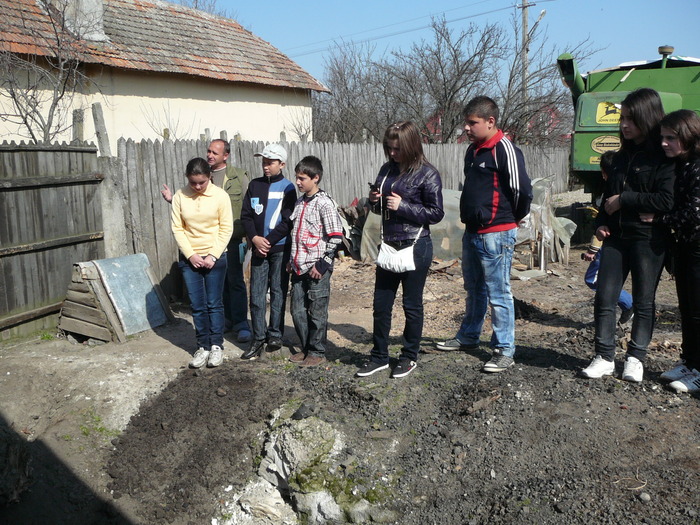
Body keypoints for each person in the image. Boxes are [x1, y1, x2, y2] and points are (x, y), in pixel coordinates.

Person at [581, 88, 675, 382]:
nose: (624, 125)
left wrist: (626, 199)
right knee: (605, 297)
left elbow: (666, 200)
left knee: (644, 300)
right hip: (617, 238)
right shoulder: (619, 158)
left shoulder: (662, 158)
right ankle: (604, 356)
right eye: (622, 119)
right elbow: (608, 198)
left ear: (647, 118)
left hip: (649, 239)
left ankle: (635, 358)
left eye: (630, 119)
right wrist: (603, 222)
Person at [437, 96, 532, 373]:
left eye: (472, 123)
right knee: (473, 288)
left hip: (497, 234)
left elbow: (522, 190)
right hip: (473, 232)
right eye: (465, 122)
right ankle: (468, 336)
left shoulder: (504, 149)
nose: (466, 128)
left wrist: (511, 219)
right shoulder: (474, 151)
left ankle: (504, 349)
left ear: (490, 122)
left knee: (499, 292)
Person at [356, 121, 444, 379]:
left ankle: (408, 357)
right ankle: (379, 357)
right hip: (389, 244)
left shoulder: (428, 174)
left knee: (411, 305)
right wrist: (374, 202)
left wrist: (403, 206)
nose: (392, 154)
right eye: (389, 148)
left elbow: (436, 213)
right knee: (381, 305)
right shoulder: (387, 170)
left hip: (416, 246)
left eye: (397, 149)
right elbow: (382, 209)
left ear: (411, 145)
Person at [161, 139, 252, 344]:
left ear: (225, 155)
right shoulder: (198, 175)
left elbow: (248, 207)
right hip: (205, 244)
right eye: (208, 151)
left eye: (215, 153)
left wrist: (251, 234)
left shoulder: (238, 177)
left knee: (235, 282)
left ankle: (240, 323)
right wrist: (171, 200)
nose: (210, 155)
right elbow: (189, 206)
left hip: (234, 239)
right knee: (217, 290)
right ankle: (225, 322)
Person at [640, 109, 700, 393]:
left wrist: (660, 218)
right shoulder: (685, 164)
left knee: (698, 310)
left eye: (671, 138)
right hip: (687, 247)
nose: (664, 143)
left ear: (688, 136)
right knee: (687, 310)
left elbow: (695, 213)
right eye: (662, 137)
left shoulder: (698, 166)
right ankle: (689, 362)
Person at [171, 157, 233, 368]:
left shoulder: (220, 196)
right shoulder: (180, 196)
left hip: (215, 257)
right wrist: (191, 255)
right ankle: (202, 347)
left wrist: (212, 255)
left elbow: (226, 228)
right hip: (191, 259)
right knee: (197, 305)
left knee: (214, 303)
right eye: (193, 183)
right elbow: (178, 228)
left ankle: (216, 346)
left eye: (202, 182)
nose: (197, 187)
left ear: (209, 177)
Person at [239, 144, 296, 360]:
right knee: (256, 293)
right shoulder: (255, 185)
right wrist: (255, 239)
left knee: (279, 291)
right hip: (258, 248)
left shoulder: (288, 188)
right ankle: (258, 337)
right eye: (263, 162)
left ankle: (275, 334)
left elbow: (288, 220)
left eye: (270, 162)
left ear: (281, 164)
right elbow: (246, 215)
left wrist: (268, 241)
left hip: (279, 248)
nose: (265, 166)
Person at [286, 156, 344, 367]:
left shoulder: (325, 203)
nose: (298, 182)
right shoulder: (300, 203)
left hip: (316, 267)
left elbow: (336, 236)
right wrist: (291, 260)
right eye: (297, 178)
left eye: (302, 178)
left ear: (315, 178)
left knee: (317, 311)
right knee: (297, 310)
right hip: (298, 266)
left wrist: (323, 264)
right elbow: (296, 235)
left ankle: (318, 351)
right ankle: (307, 347)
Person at [582, 151, 633, 325]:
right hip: (614, 245)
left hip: (608, 246)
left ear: (605, 172)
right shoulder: (622, 191)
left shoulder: (610, 195)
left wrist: (593, 249)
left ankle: (628, 305)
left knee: (595, 280)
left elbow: (604, 227)